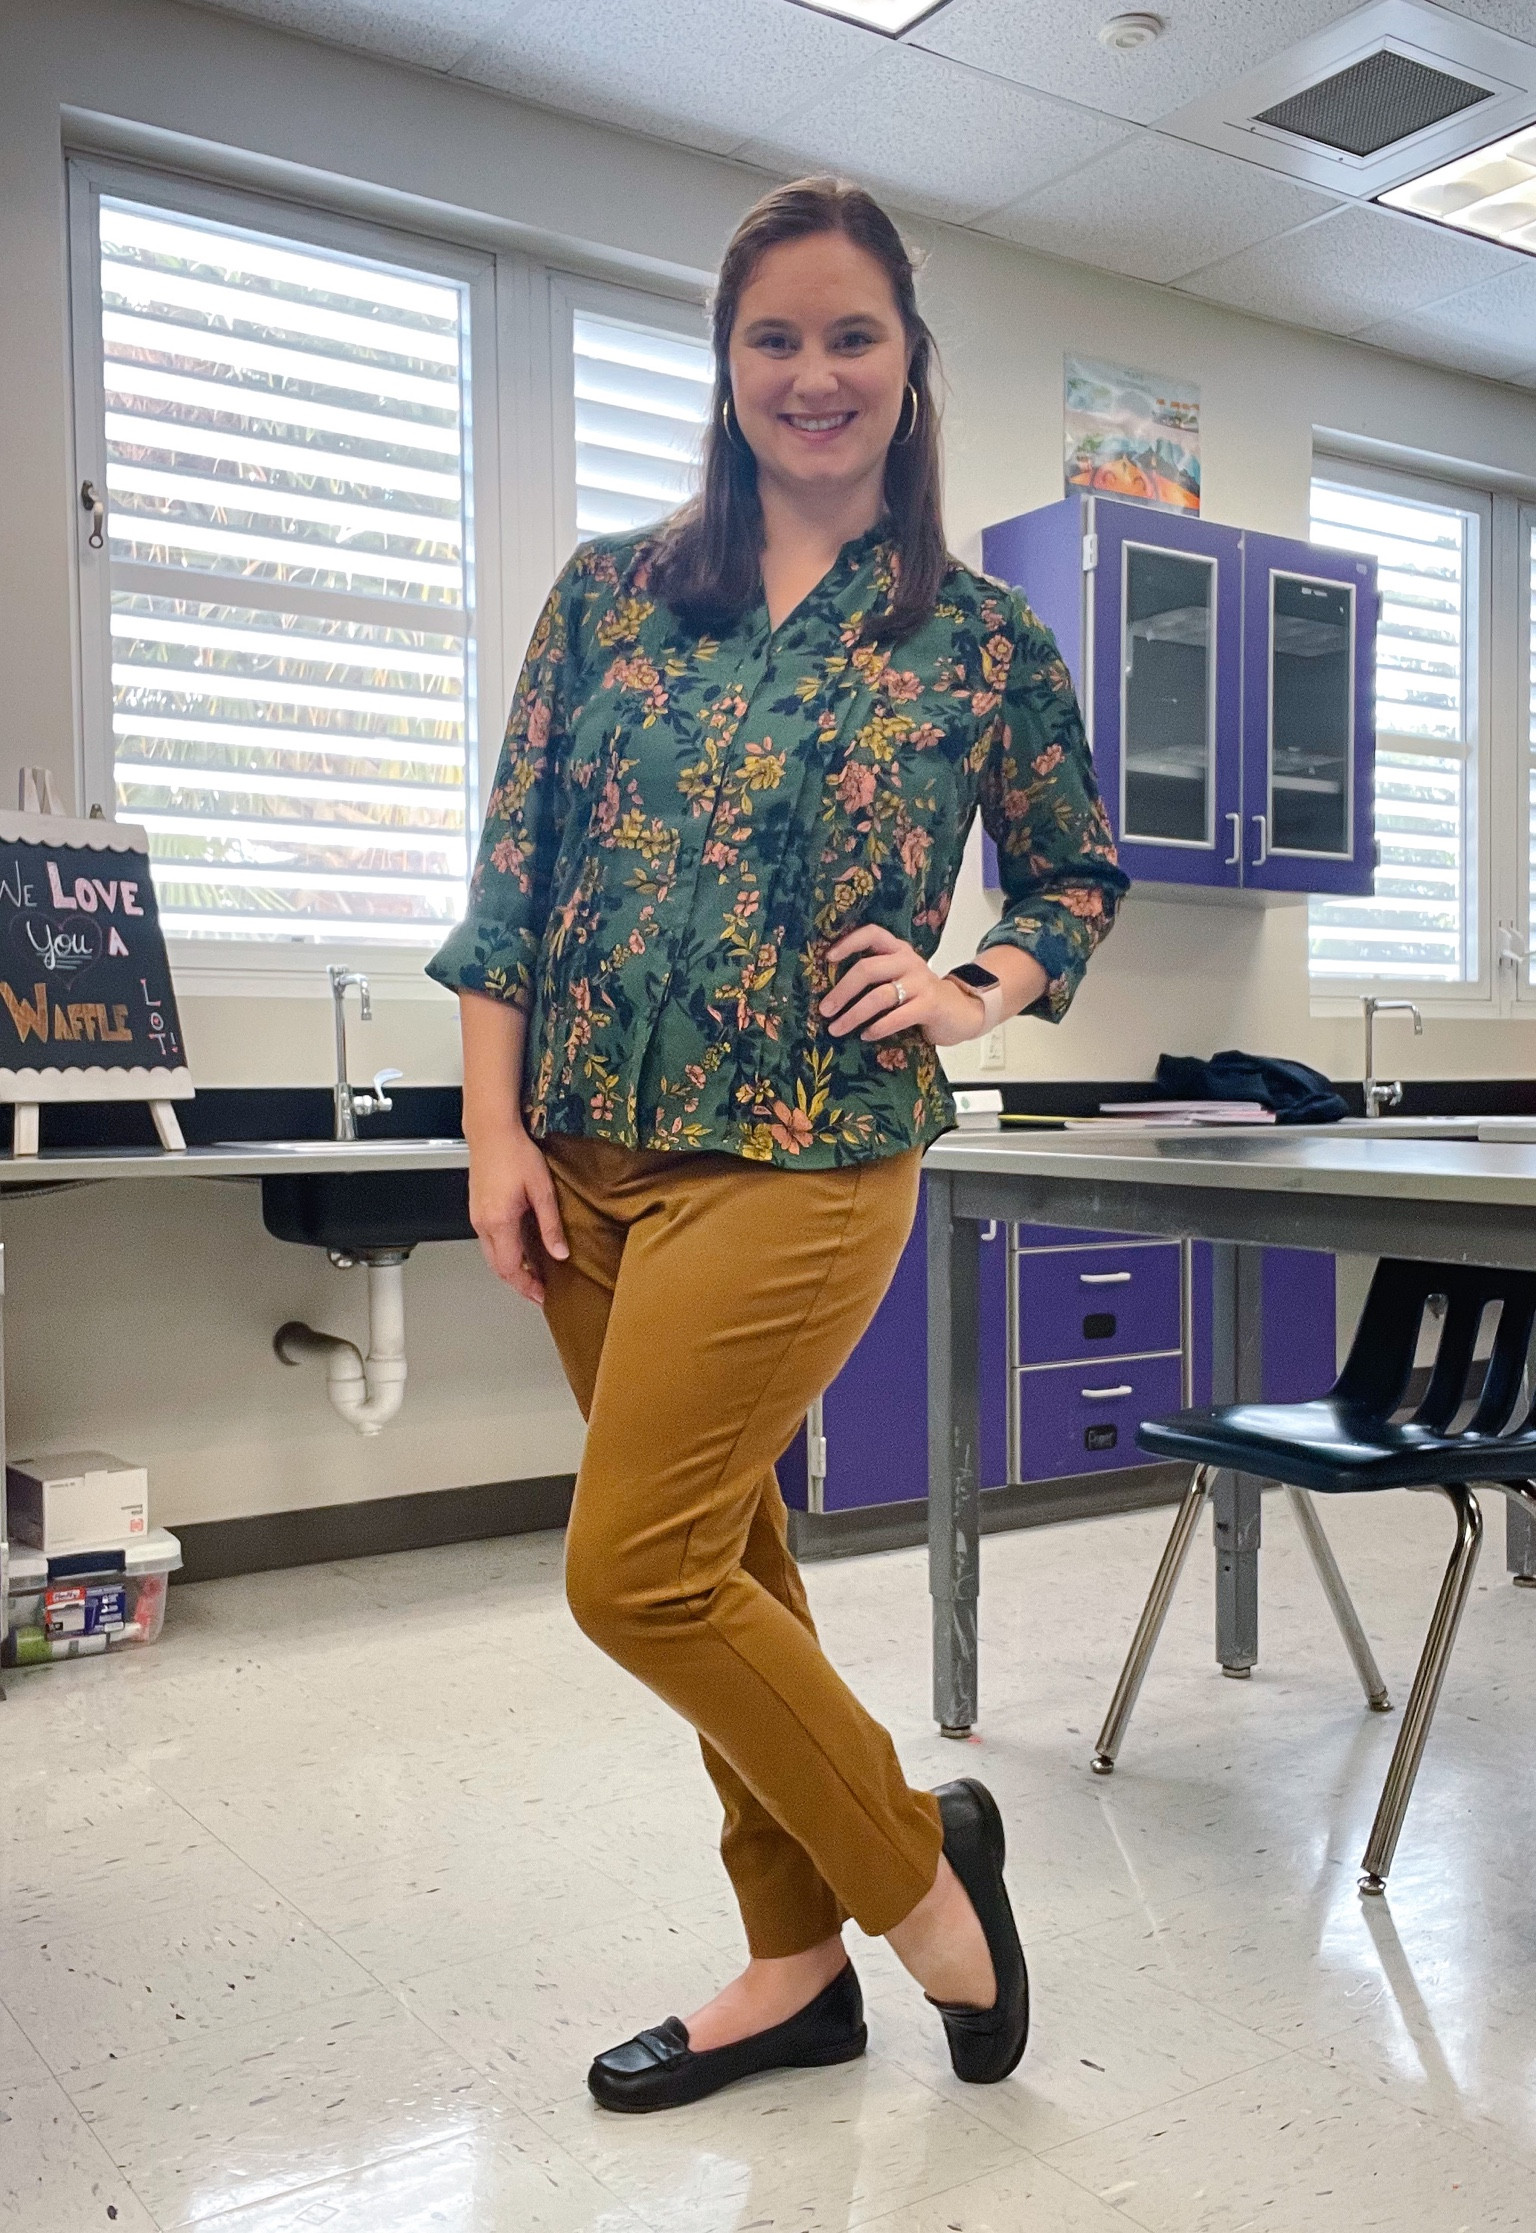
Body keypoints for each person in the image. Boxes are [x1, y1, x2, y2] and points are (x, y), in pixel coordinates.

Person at [428, 175, 1127, 2113]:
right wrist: (492, 1131)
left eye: (851, 335)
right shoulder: (612, 595)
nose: (813, 373)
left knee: (635, 1569)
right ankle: (793, 1962)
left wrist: (972, 986)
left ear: (909, 364)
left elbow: (1073, 870)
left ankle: (927, 1884)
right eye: (774, 337)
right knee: (730, 1558)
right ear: (726, 364)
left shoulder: (980, 639)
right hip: (584, 1160)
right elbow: (511, 883)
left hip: (810, 1150)